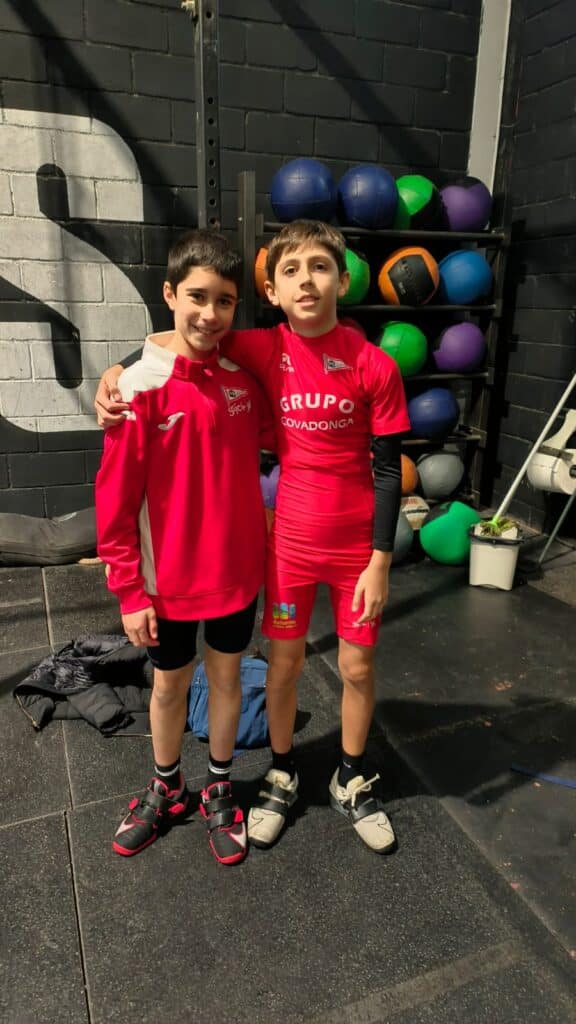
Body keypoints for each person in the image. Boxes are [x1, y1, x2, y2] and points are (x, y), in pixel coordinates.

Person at [95, 219, 410, 855]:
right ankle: (208, 781)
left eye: (320, 268)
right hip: (254, 561)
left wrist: (381, 557)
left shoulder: (281, 371)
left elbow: (382, 466)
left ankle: (298, 781)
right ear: (272, 289)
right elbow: (182, 342)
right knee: (199, 680)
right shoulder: (194, 369)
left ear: (343, 278)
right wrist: (119, 371)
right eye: (291, 270)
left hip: (286, 565)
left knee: (305, 671)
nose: (211, 315)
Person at [95, 229, 274, 865]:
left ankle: (219, 786)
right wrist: (128, 591)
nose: (210, 314)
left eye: (224, 301)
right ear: (169, 294)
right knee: (170, 688)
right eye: (197, 297)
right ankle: (167, 786)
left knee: (226, 681)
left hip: (236, 576)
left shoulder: (244, 384)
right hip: (165, 583)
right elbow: (115, 503)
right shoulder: (136, 389)